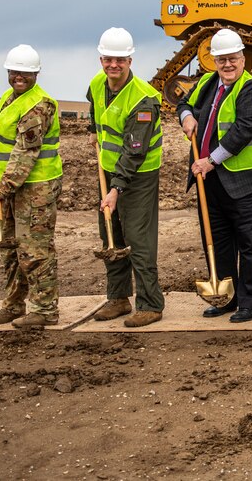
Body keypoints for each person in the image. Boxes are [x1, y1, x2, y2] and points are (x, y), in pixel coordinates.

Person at [177, 29, 252, 323]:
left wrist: (211, 160)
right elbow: (183, 103)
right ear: (215, 62)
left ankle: (251, 302)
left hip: (246, 180)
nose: (227, 65)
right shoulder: (207, 83)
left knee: (251, 243)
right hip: (211, 180)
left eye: (232, 59)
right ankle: (226, 297)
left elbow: (242, 130)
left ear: (242, 58)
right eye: (222, 60)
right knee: (218, 240)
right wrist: (187, 116)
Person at [87, 27, 165, 328]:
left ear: (130, 60)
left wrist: (116, 189)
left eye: (120, 60)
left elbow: (135, 152)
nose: (113, 65)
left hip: (138, 175)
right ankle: (118, 298)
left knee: (137, 237)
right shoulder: (97, 84)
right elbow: (95, 106)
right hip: (107, 170)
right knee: (111, 234)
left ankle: (151, 303)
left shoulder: (143, 100)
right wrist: (92, 131)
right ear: (101, 59)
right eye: (108, 59)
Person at [0, 45, 63, 328]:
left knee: (35, 250)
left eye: (26, 73)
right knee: (11, 250)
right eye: (15, 71)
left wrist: (4, 187)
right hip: (8, 188)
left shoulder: (39, 105)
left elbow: (25, 152)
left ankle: (44, 309)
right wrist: (1, 185)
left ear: (36, 74)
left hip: (35, 187)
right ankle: (14, 304)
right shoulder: (9, 98)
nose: (20, 77)